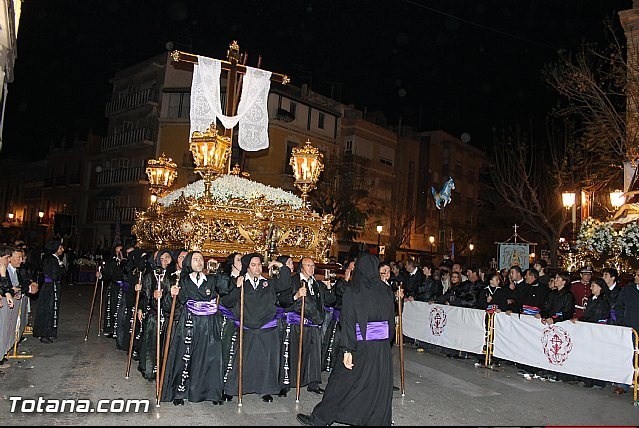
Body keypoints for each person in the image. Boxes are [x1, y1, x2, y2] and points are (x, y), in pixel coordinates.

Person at [296, 253, 396, 426]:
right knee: (376, 385)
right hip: (381, 346)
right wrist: (386, 343)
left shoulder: (353, 290)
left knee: (339, 384)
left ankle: (320, 419)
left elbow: (348, 322)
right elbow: (391, 320)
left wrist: (347, 350)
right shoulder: (386, 290)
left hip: (359, 345)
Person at [221, 252, 293, 403]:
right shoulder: (238, 282)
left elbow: (285, 283)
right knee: (239, 361)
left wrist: (280, 265)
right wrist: (236, 287)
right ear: (247, 267)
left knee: (264, 361)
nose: (257, 268)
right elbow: (227, 301)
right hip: (245, 327)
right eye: (253, 265)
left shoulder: (268, 283)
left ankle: (264, 389)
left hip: (265, 327)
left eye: (259, 264)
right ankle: (232, 389)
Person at [161, 251, 230, 405]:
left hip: (209, 324)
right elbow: (169, 306)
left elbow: (225, 289)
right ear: (188, 263)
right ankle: (180, 392)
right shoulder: (183, 281)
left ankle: (212, 392)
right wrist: (172, 295)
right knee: (184, 356)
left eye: (201, 259)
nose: (199, 262)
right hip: (189, 323)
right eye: (195, 259)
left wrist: (219, 270)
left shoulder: (212, 279)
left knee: (211, 357)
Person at [33, 240, 65, 343]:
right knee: (48, 309)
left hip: (53, 286)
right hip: (49, 287)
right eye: (60, 248)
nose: (62, 250)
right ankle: (44, 333)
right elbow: (54, 274)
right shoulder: (51, 259)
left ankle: (50, 331)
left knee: (52, 309)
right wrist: (61, 268)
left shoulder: (55, 259)